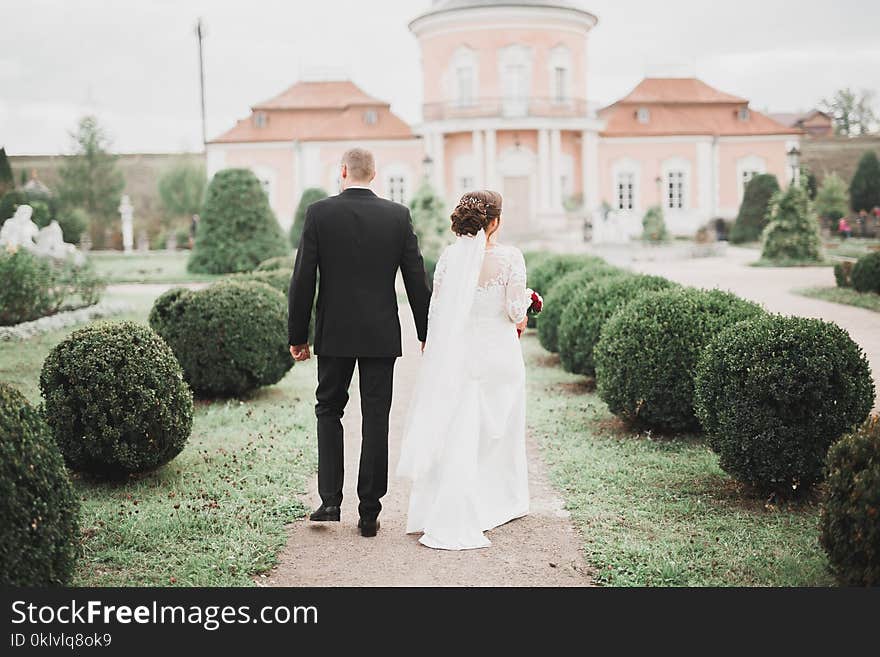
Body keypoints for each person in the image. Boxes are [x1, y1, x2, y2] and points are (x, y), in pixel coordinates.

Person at [287, 147, 431, 538]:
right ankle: (370, 511)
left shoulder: (319, 213)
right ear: (375, 173)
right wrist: (426, 332)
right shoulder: (398, 216)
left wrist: (297, 336)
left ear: (343, 171)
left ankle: (330, 501)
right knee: (376, 417)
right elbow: (415, 279)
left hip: (334, 333)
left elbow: (303, 280)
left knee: (329, 410)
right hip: (381, 333)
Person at [397, 190, 532, 550]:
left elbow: (437, 310)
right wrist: (529, 305)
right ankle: (495, 499)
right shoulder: (510, 258)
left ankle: (446, 500)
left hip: (459, 355)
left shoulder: (448, 258)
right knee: (496, 428)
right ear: (496, 221)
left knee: (457, 428)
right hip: (497, 353)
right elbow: (516, 311)